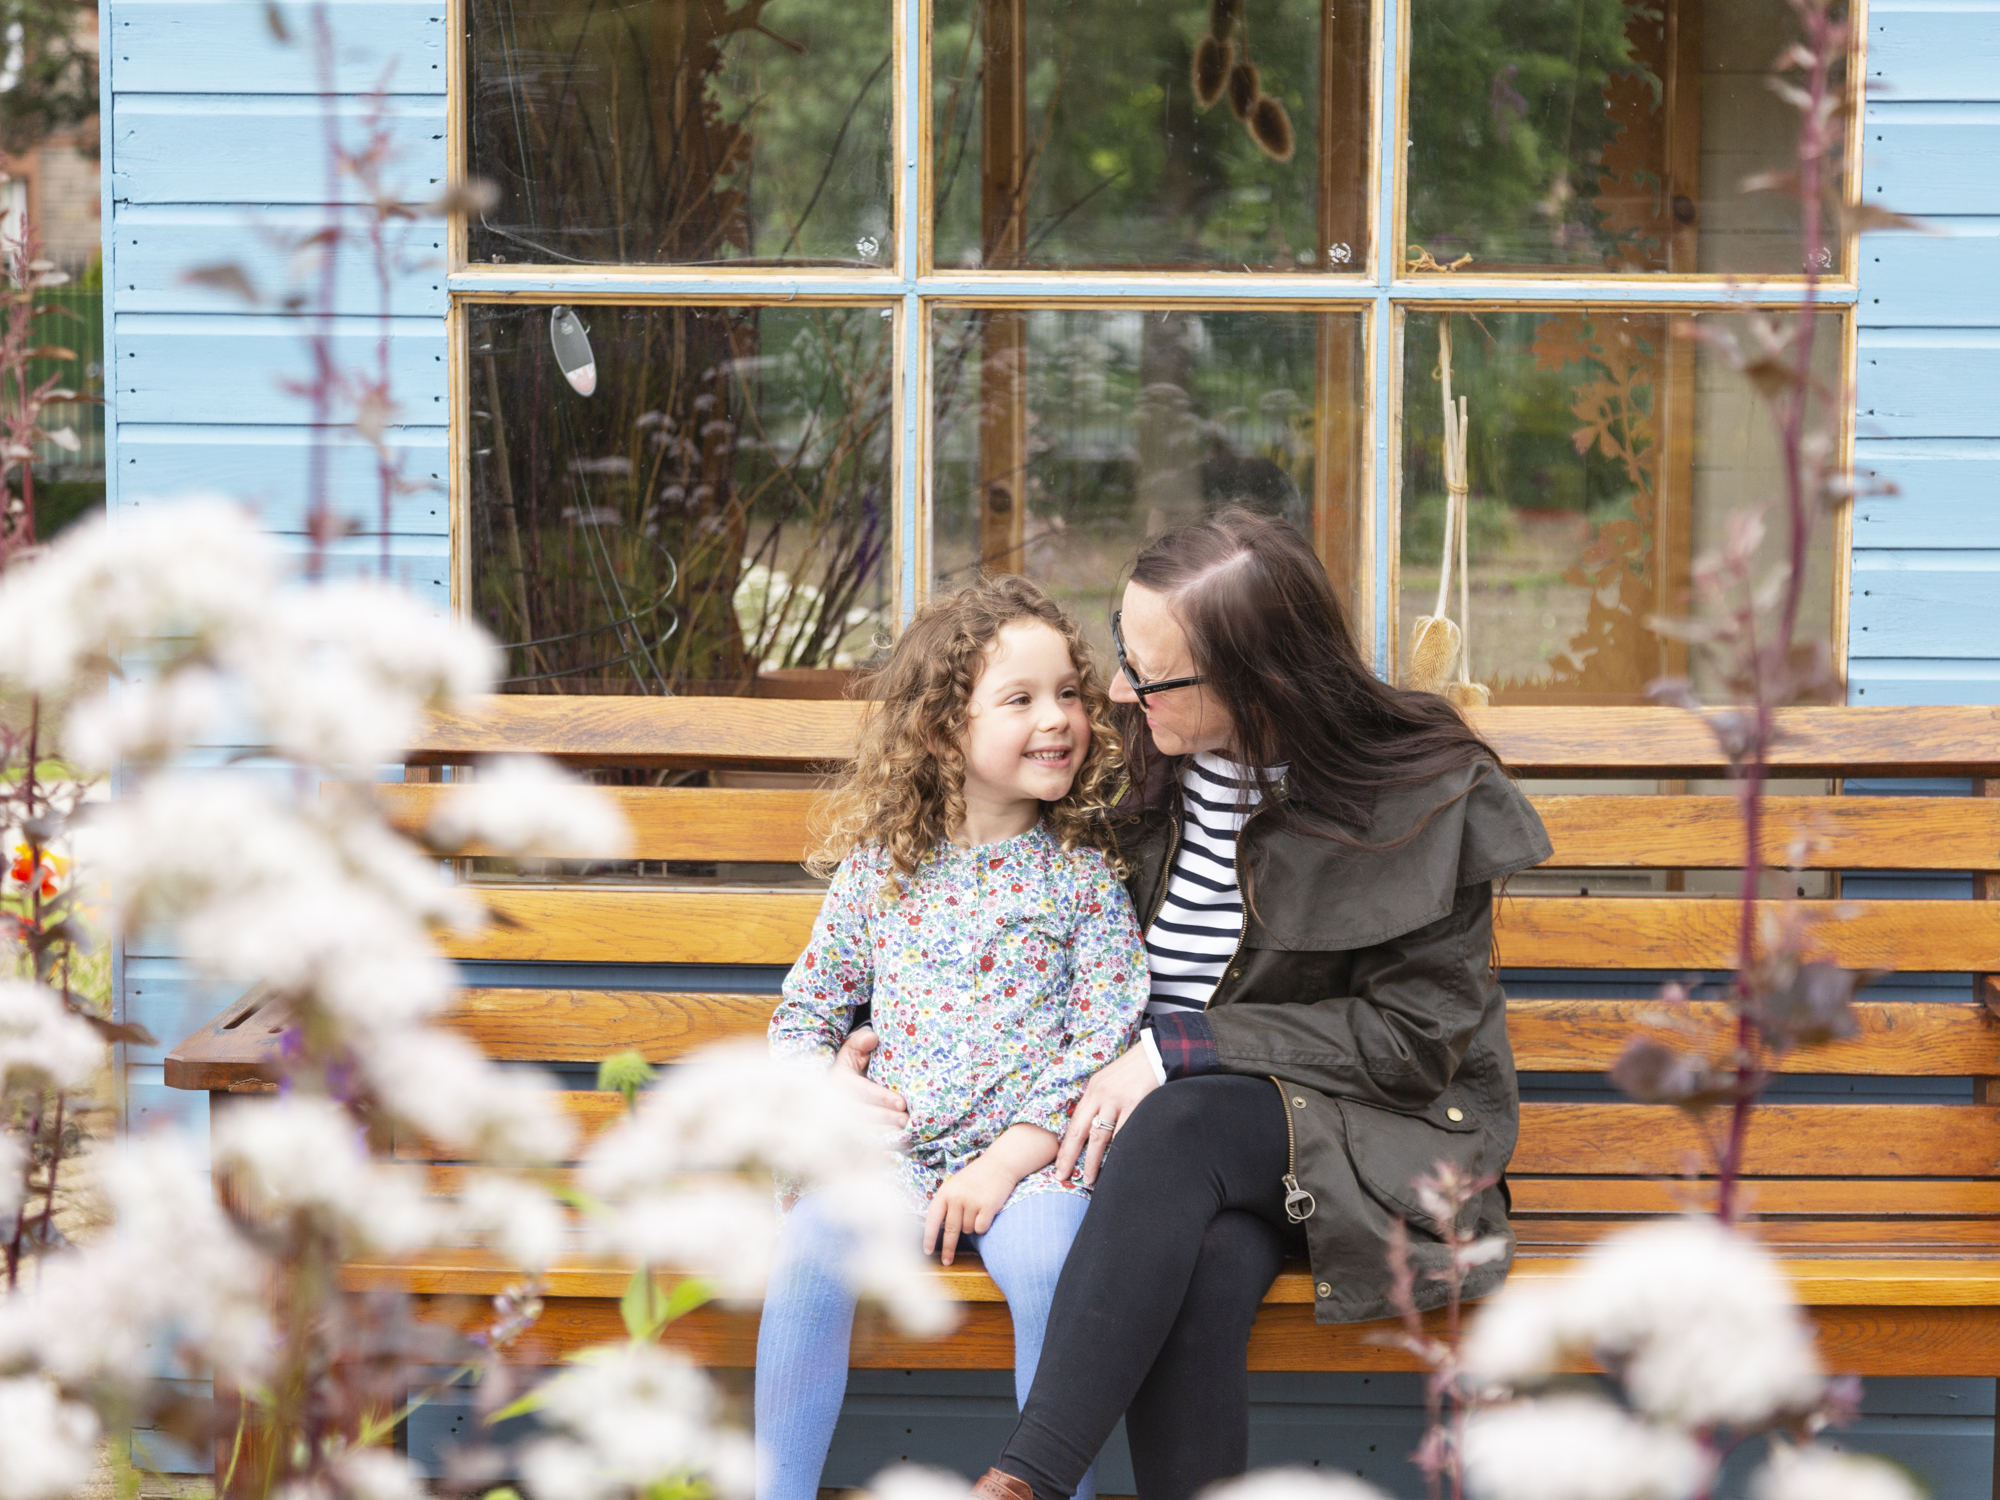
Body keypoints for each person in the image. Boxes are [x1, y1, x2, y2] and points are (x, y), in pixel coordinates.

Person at [842, 509, 1552, 1500]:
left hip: (1375, 1142)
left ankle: (1025, 1480)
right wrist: (847, 1051)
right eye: (1122, 660)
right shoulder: (1127, 774)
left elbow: (1414, 1044)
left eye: (1149, 674)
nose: (1121, 693)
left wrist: (1180, 1046)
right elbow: (959, 899)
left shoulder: (1422, 792)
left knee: (1180, 1121)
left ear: (1251, 680)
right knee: (1208, 1264)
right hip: (1178, 1179)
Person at [757, 576, 1152, 1500]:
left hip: (1032, 1164)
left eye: (1069, 694)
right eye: (1020, 699)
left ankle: (1048, 1487)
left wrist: (1006, 1164)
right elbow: (805, 1012)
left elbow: (1106, 1036)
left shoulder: (1082, 880)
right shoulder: (880, 875)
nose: (1057, 718)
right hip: (899, 1154)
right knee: (814, 1247)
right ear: (944, 731)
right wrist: (821, 1082)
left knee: (1059, 1274)